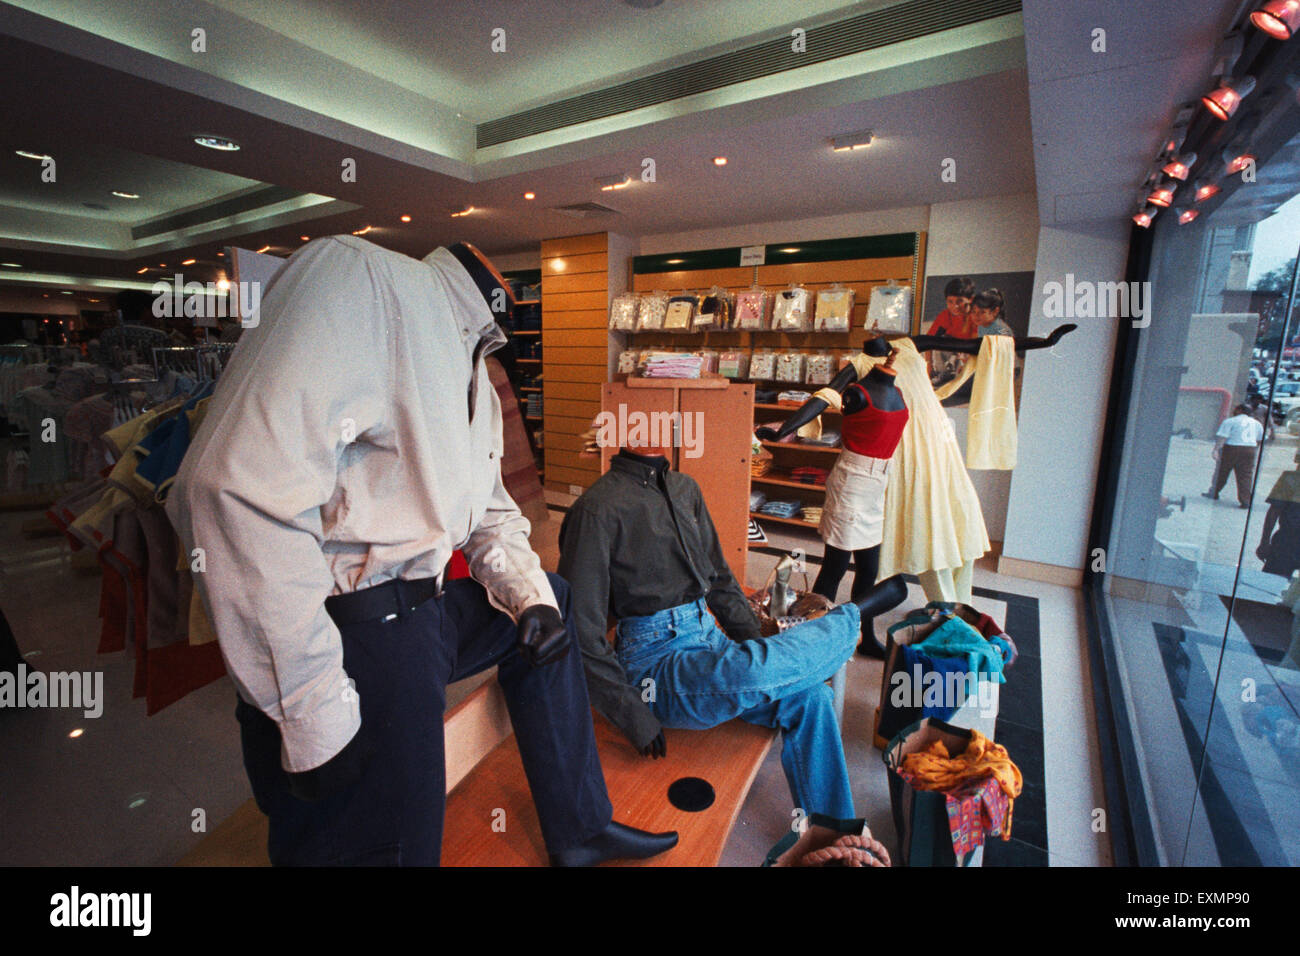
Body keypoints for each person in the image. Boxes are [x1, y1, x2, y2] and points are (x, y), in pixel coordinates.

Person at [167, 236, 676, 867]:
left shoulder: (474, 368)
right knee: (394, 849)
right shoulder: (362, 278)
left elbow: (488, 509)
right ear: (489, 292)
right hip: (353, 631)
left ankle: (579, 827)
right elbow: (230, 488)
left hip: (422, 610)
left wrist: (531, 600)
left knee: (559, 600)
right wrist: (312, 708)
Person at [558, 446, 897, 820]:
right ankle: (852, 617)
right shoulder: (596, 509)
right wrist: (631, 713)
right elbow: (581, 629)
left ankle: (833, 832)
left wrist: (756, 642)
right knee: (756, 671)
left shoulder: (684, 488)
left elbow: (719, 580)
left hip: (707, 634)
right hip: (653, 661)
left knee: (812, 696)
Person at [1204, 404, 1264, 508]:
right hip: (1250, 449)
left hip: (1232, 447)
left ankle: (1214, 492)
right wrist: (1253, 450)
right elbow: (1259, 439)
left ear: (1239, 410)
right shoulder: (1257, 423)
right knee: (1245, 475)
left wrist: (1216, 450)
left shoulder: (1230, 421)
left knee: (1222, 471)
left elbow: (1222, 437)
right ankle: (1245, 500)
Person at [1257, 447, 1300, 577]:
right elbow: (1273, 512)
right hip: (1286, 542)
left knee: (1271, 585)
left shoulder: (1290, 479)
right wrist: (1264, 542)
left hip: (1286, 542)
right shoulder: (1290, 479)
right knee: (1271, 584)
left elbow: (1273, 512)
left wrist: (1264, 542)